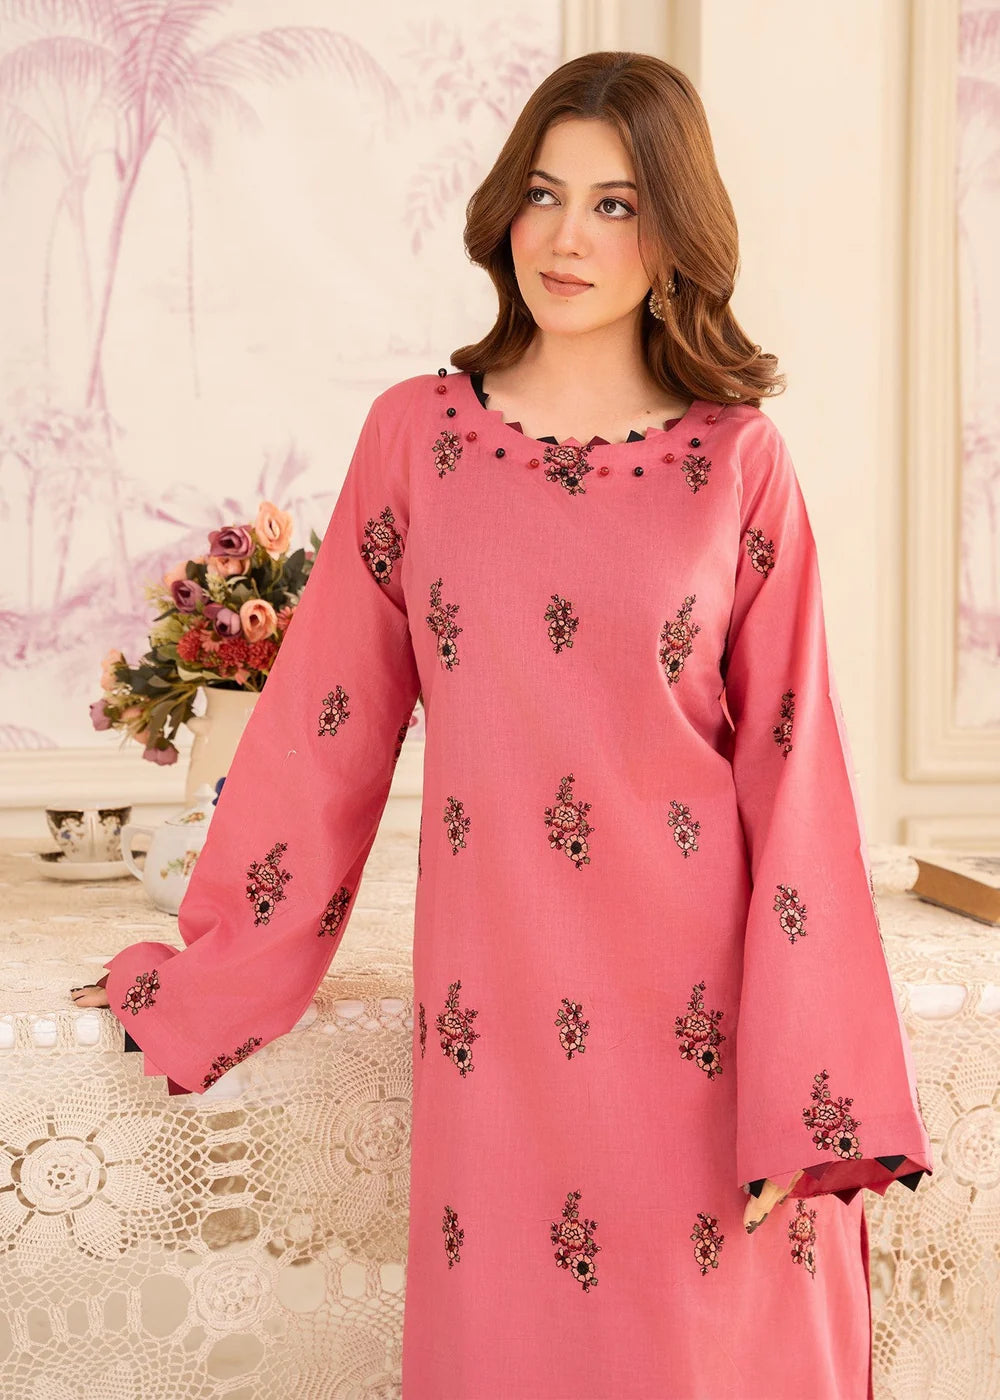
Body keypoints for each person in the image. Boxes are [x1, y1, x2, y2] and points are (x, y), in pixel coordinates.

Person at [70, 51, 932, 1400]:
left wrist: (812, 1090)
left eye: (616, 204)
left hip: (705, 1034)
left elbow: (796, 773)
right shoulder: (417, 440)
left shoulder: (736, 460)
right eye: (545, 192)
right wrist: (210, 979)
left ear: (676, 235)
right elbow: (324, 735)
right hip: (500, 1026)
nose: (568, 237)